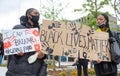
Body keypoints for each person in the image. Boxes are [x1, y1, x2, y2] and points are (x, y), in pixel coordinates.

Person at [6, 8, 47, 76]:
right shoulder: (18, 29)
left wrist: (43, 55)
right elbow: (10, 50)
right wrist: (16, 53)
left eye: (39, 14)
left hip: (35, 71)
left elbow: (46, 49)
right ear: (29, 15)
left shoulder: (41, 32)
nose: (38, 15)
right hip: (17, 70)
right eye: (35, 13)